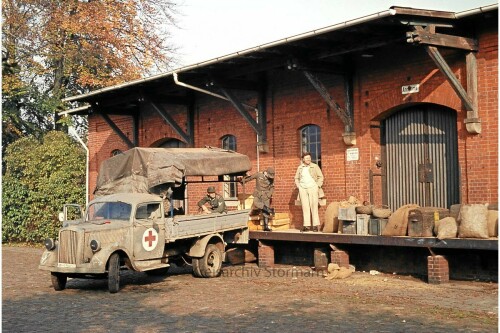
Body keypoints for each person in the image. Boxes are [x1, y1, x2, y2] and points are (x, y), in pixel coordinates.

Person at [294, 152, 324, 232]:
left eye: (309, 158)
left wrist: (317, 186)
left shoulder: (315, 166)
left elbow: (320, 177)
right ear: (303, 159)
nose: (308, 159)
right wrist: (299, 186)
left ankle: (315, 226)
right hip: (303, 189)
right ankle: (306, 226)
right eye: (307, 158)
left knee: (314, 206)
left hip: (313, 188)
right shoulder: (300, 168)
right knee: (305, 207)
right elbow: (296, 178)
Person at [241, 167, 275, 231]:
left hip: (266, 195)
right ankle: (269, 209)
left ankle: (266, 227)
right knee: (256, 203)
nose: (270, 177)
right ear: (266, 173)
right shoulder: (259, 175)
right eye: (269, 175)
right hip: (258, 193)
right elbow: (251, 178)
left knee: (265, 212)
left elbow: (272, 187)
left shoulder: (271, 179)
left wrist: (269, 195)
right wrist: (243, 180)